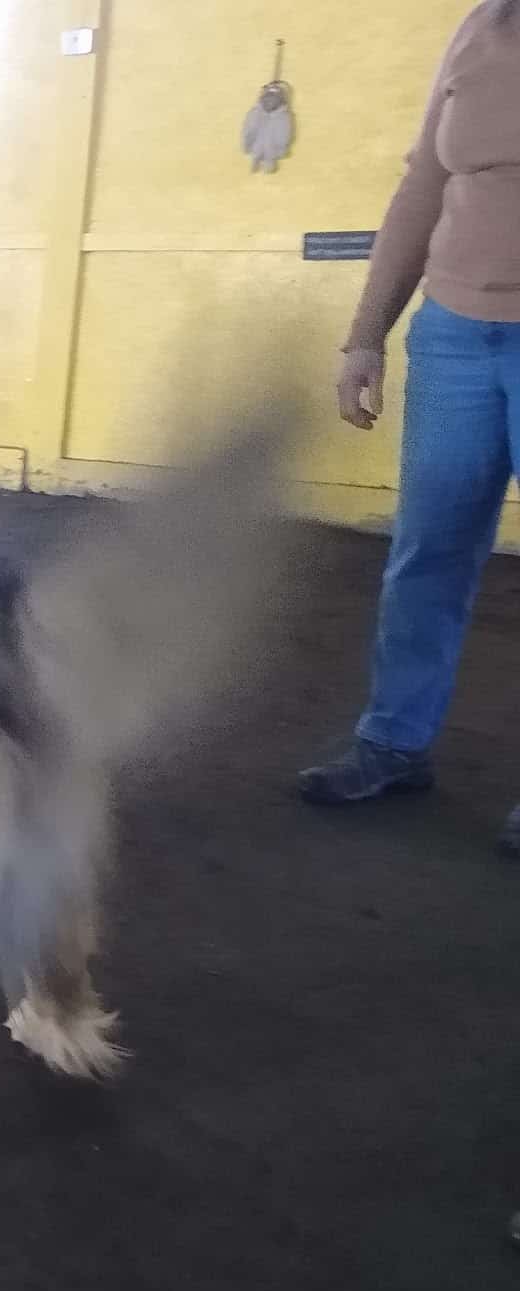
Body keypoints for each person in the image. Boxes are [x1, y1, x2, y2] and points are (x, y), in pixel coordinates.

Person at [298, 0, 520, 855]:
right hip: (455, 334)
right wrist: (365, 338)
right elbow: (423, 184)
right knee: (428, 550)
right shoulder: (476, 28)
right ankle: (393, 744)